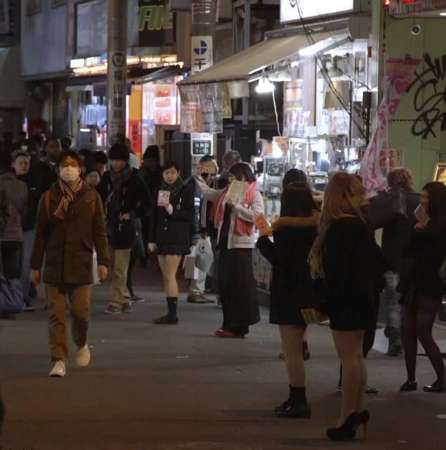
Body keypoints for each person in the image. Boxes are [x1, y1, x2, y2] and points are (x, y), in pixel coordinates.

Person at [310, 173, 385, 441]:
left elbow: (337, 272)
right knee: (357, 357)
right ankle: (357, 410)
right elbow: (379, 261)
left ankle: (347, 417)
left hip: (347, 300)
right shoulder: (360, 226)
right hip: (363, 298)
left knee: (349, 359)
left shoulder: (341, 228)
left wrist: (325, 303)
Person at [30, 150, 110, 377]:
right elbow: (40, 235)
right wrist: (35, 265)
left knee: (80, 313)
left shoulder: (91, 197)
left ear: (80, 169)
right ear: (58, 170)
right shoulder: (48, 198)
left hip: (81, 262)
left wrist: (103, 261)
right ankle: (58, 359)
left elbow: (100, 232)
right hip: (54, 263)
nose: (68, 169)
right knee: (56, 315)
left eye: (73, 165)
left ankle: (81, 342)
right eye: (64, 165)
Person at [257, 182, 319, 418]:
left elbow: (280, 259)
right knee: (298, 346)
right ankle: (295, 398)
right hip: (309, 290)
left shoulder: (285, 229)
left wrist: (263, 239)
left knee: (292, 351)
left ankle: (298, 399)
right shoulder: (317, 227)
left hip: (288, 291)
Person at [196, 162, 264, 338]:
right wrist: (198, 179)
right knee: (226, 286)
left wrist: (237, 207)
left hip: (241, 246)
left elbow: (258, 216)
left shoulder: (254, 193)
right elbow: (209, 194)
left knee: (239, 287)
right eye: (231, 177)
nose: (231, 180)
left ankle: (238, 326)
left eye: (235, 176)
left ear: (244, 176)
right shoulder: (227, 192)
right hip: (225, 243)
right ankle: (229, 325)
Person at [399, 182, 446, 393]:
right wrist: (417, 229)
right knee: (408, 331)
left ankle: (441, 378)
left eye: (426, 197)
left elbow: (421, 252)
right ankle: (411, 379)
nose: (422, 201)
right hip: (416, 282)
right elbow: (408, 250)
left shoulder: (435, 226)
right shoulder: (424, 223)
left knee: (421, 331)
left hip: (428, 283)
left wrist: (418, 231)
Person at [98, 144, 148, 314]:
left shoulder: (134, 178)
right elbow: (99, 198)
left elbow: (147, 203)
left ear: (126, 161)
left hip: (125, 228)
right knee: (113, 266)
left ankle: (116, 302)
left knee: (120, 267)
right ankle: (124, 298)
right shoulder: (106, 178)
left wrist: (132, 214)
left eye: (120, 160)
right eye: (114, 160)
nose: (116, 164)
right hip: (108, 226)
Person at [377, 168, 419, 357]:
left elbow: (375, 222)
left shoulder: (389, 202)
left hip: (392, 259)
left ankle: (394, 337)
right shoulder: (419, 201)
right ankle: (406, 335)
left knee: (393, 301)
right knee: (409, 302)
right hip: (413, 261)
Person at [149, 161, 194, 324]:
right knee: (166, 276)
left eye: (172, 173)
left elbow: (190, 215)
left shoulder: (186, 189)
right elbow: (154, 216)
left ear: (178, 173)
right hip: (162, 236)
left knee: (170, 275)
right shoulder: (160, 190)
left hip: (177, 236)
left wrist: (172, 210)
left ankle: (172, 314)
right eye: (166, 173)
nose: (169, 176)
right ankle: (170, 313)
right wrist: (151, 239)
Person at [187, 155, 219, 304]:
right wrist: (198, 229)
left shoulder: (204, 182)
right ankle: (195, 292)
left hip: (201, 229)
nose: (216, 168)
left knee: (202, 259)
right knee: (201, 258)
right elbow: (196, 209)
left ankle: (197, 290)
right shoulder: (196, 183)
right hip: (198, 230)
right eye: (213, 165)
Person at [12, 152, 40, 310]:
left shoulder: (34, 182)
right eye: (20, 162)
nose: (24, 165)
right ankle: (16, 296)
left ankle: (22, 297)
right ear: (13, 164)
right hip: (11, 230)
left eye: (26, 163)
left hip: (28, 228)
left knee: (25, 264)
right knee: (14, 264)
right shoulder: (8, 183)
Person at [0, 151, 28, 283]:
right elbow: (24, 211)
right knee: (12, 276)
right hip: (15, 235)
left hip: (2, 234)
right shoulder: (22, 186)